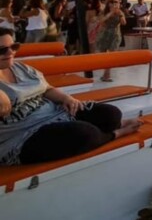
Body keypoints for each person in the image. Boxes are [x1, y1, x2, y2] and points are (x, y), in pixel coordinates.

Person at [0, 28, 142, 166]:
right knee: (84, 133)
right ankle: (116, 133)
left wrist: (66, 98)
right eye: (2, 50)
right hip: (23, 135)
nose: (10, 52)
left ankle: (113, 125)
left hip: (56, 113)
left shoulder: (21, 68)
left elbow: (47, 89)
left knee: (110, 114)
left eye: (14, 46)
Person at [95, 0, 127, 82]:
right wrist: (111, 13)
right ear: (109, 4)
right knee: (103, 55)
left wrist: (120, 15)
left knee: (112, 55)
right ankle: (105, 72)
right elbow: (101, 21)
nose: (116, 5)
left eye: (117, 3)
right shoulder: (104, 12)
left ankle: (107, 74)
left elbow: (124, 23)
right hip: (104, 35)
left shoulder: (120, 12)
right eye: (113, 3)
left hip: (115, 36)